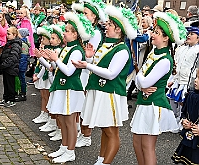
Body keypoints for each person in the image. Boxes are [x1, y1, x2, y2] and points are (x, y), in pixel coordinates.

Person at [72, 6, 138, 165]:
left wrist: (87, 66)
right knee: (104, 129)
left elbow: (110, 73)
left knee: (111, 132)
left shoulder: (122, 49)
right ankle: (101, 159)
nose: (105, 27)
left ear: (119, 30)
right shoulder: (106, 45)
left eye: (109, 25)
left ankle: (106, 162)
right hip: (100, 91)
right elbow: (98, 68)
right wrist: (88, 60)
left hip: (110, 93)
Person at [130, 12, 187, 165]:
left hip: (154, 104)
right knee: (137, 143)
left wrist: (140, 80)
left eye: (156, 33)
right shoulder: (153, 53)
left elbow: (143, 79)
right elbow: (139, 80)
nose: (152, 34)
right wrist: (141, 83)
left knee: (147, 146)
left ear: (166, 38)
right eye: (154, 31)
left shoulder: (165, 60)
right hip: (144, 102)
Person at [46, 12, 94, 163]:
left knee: (70, 122)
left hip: (71, 89)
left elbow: (68, 71)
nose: (64, 33)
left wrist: (56, 60)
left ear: (75, 34)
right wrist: (51, 60)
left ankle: (70, 151)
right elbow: (58, 68)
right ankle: (64, 147)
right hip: (63, 87)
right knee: (62, 118)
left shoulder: (77, 50)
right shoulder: (68, 48)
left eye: (67, 31)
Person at [74, 0, 107, 148]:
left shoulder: (95, 33)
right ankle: (80, 132)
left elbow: (91, 55)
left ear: (94, 16)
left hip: (87, 71)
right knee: (79, 104)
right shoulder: (85, 30)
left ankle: (86, 136)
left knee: (85, 105)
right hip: (80, 69)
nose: (83, 15)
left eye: (86, 13)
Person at [167, 21, 199, 132]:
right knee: (172, 101)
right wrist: (173, 79)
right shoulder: (182, 48)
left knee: (182, 104)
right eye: (188, 33)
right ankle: (172, 121)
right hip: (178, 80)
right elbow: (177, 66)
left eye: (192, 34)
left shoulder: (197, 51)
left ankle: (181, 124)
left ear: (198, 38)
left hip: (188, 81)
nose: (188, 35)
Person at [171, 69, 199, 165]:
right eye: (196, 77)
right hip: (190, 137)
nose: (195, 80)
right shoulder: (191, 95)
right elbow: (184, 112)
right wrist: (184, 121)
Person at [0, 27, 22, 107]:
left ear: (14, 35)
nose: (7, 36)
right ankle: (6, 98)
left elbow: (13, 57)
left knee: (10, 85)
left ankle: (11, 99)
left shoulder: (15, 45)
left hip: (11, 68)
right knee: (6, 84)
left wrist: (4, 64)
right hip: (6, 68)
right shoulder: (9, 43)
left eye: (9, 34)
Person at [15, 28, 31, 102]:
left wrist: (20, 66)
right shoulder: (22, 42)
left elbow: (23, 57)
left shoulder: (23, 44)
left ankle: (23, 93)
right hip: (20, 64)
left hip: (21, 65)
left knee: (22, 79)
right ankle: (19, 92)